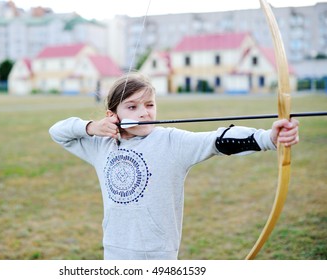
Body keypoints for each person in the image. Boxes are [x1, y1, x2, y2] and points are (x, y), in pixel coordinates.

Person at [49, 72, 299, 260]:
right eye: (132, 107)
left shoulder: (170, 141)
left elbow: (216, 140)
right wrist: (91, 127)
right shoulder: (100, 145)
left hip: (158, 253)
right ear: (112, 115)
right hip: (114, 249)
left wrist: (269, 138)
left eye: (149, 105)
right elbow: (57, 132)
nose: (145, 113)